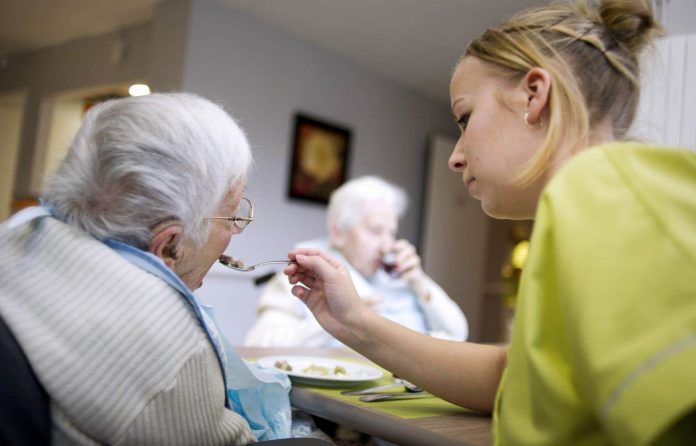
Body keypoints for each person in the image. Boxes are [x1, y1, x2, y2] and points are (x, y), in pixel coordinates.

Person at [282, 0, 696, 444]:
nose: (455, 157)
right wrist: (352, 323)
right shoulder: (584, 210)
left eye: (465, 118)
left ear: (535, 95)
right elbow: (510, 376)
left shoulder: (607, 187)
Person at [0, 93, 295, 445]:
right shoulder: (172, 351)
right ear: (169, 244)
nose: (235, 231)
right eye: (232, 217)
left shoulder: (21, 234)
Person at [244, 175, 468, 348]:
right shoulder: (303, 275)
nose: (386, 245)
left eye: (391, 233)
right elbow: (257, 345)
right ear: (338, 233)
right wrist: (339, 319)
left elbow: (458, 333)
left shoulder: (401, 276)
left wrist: (420, 283)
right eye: (375, 231)